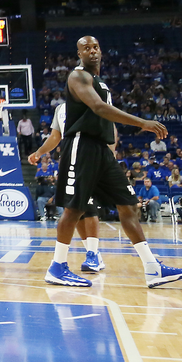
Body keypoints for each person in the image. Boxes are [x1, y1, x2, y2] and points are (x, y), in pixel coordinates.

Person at [45, 36, 182, 289]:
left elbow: (106, 118)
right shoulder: (77, 77)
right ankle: (57, 267)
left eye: (95, 47)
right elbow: (99, 108)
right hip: (81, 146)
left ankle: (152, 268)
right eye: (86, 48)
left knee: (129, 204)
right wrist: (143, 122)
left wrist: (112, 147)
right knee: (75, 209)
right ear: (79, 54)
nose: (92, 51)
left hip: (102, 150)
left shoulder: (99, 81)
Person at [28, 100, 107, 273]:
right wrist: (39, 152)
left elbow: (109, 130)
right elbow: (55, 137)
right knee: (73, 208)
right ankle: (93, 254)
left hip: (90, 158)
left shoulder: (93, 102)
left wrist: (109, 157)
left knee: (89, 207)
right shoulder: (61, 108)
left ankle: (93, 253)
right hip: (69, 160)